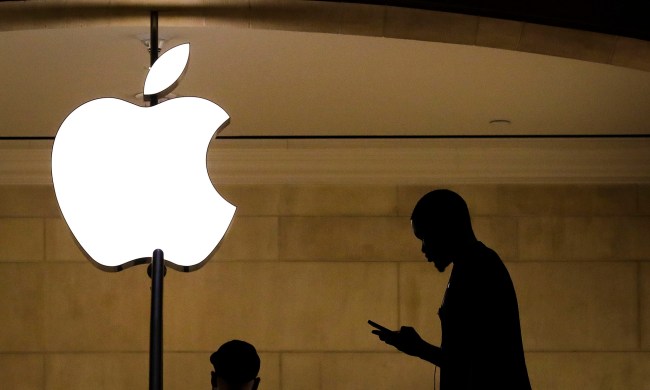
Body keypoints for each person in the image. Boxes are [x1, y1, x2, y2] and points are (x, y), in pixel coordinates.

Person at [369, 189, 531, 389]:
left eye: (425, 237)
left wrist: (419, 348)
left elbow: (477, 362)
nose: (424, 249)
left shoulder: (478, 268)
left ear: (444, 228)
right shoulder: (475, 266)